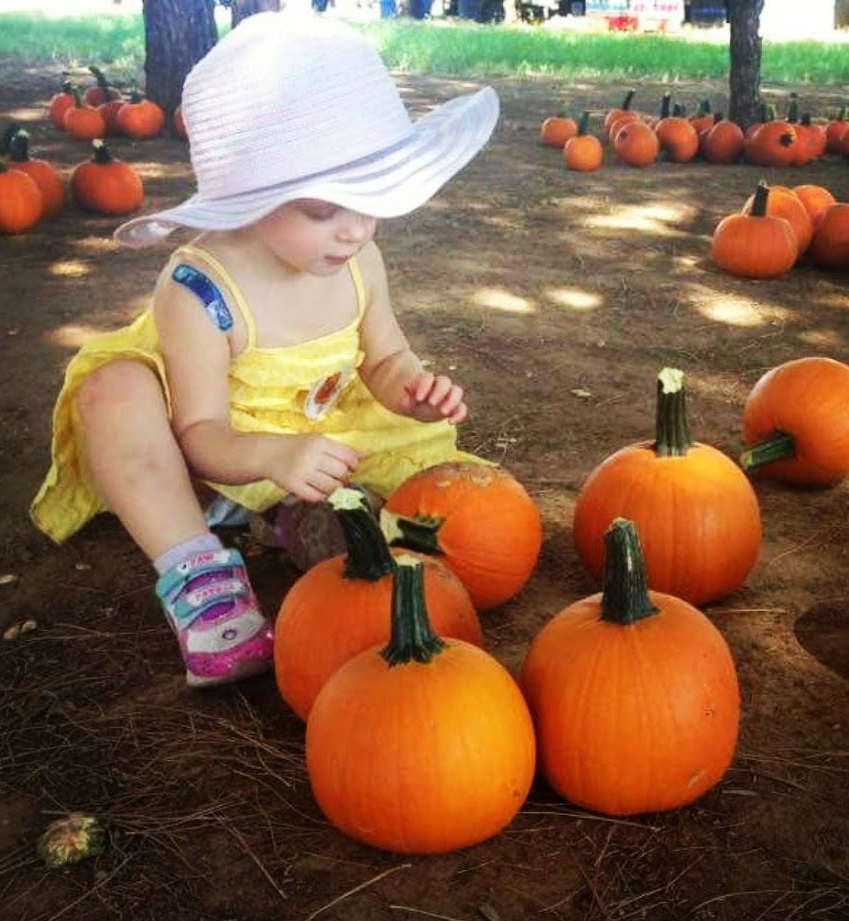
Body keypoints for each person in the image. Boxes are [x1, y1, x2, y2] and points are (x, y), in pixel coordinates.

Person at [30, 11, 499, 688]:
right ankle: (199, 567)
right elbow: (200, 432)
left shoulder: (357, 257)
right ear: (248, 200)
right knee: (116, 392)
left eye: (369, 203)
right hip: (212, 443)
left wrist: (414, 390)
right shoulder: (200, 292)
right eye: (322, 210)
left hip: (316, 433)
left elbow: (385, 357)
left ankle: (287, 516)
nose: (353, 231)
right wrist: (272, 457)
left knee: (420, 528)